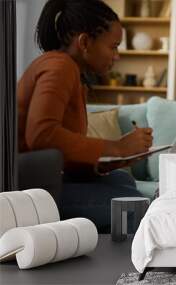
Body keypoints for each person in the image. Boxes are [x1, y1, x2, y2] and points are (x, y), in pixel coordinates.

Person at [17, 0, 153, 232]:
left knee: (123, 180)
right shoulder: (60, 67)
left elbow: (61, 154)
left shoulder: (68, 70)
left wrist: (121, 155)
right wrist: (116, 148)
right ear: (85, 42)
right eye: (113, 46)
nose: (117, 56)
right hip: (31, 191)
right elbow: (41, 135)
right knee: (138, 208)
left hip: (49, 177)